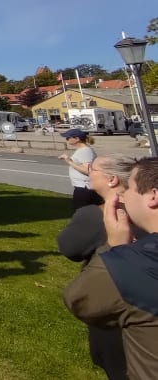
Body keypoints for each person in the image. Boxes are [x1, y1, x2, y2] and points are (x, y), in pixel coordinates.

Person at [64, 158, 158, 380]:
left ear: (153, 196)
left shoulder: (134, 264)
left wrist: (114, 248)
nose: (124, 195)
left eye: (130, 188)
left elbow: (80, 301)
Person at [59, 128, 101, 211]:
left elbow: (87, 171)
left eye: (68, 138)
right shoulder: (82, 150)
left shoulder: (85, 151)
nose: (67, 139)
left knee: (82, 213)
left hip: (84, 188)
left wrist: (69, 161)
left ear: (77, 139)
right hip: (83, 187)